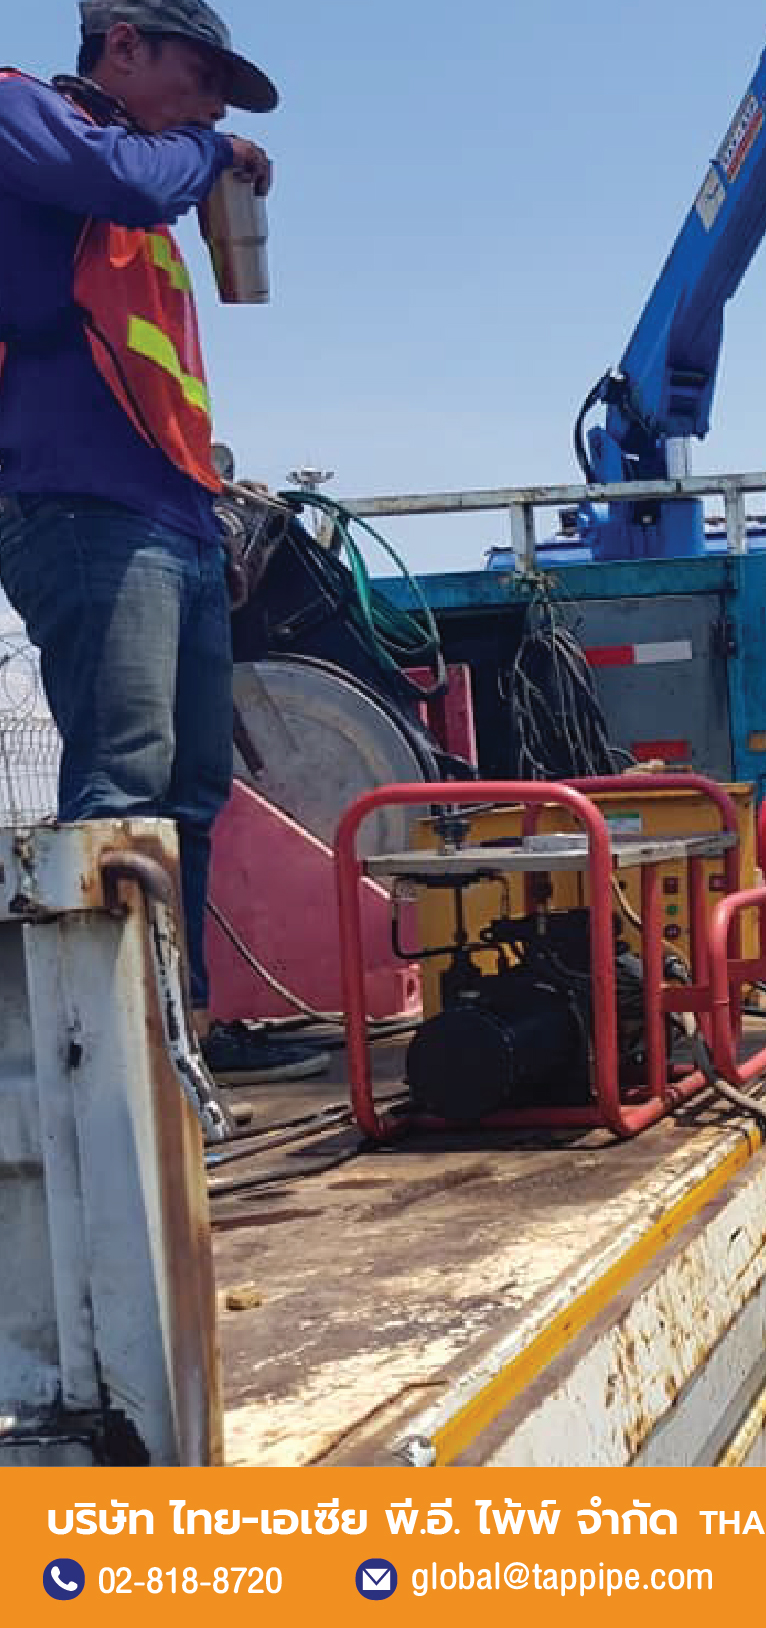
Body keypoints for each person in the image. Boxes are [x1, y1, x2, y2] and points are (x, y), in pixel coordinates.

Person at [0, 2, 317, 1082]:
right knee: (124, 779)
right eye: (203, 75)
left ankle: (179, 1023)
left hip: (169, 515)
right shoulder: (22, 115)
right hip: (82, 507)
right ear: (123, 45)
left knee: (190, 790)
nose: (216, 103)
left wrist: (208, 507)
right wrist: (208, 151)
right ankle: (117, 1060)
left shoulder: (142, 210)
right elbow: (128, 179)